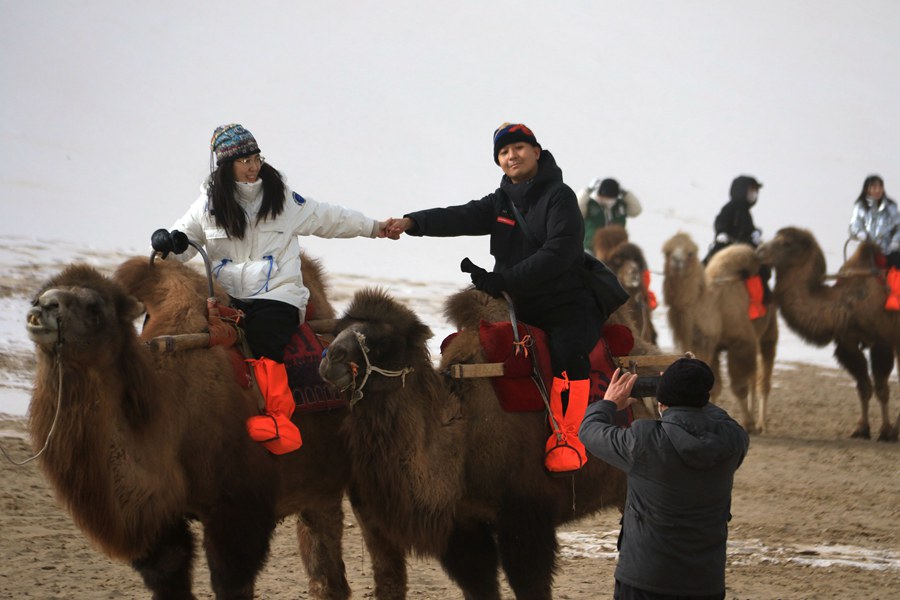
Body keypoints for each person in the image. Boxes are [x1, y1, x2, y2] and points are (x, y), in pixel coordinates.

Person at [385, 122, 626, 474]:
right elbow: (460, 215)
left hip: (563, 301)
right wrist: (412, 223)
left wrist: (504, 279)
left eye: (519, 148)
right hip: (515, 299)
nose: (512, 155)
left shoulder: (559, 197)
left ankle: (569, 435)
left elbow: (559, 252)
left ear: (536, 152)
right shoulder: (501, 201)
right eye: (503, 151)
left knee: (569, 350)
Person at [151, 123, 390, 454]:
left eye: (256, 158)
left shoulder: (283, 200)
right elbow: (184, 240)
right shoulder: (207, 205)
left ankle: (278, 418)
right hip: (227, 293)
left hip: (277, 293)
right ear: (226, 165)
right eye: (244, 161)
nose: (253, 167)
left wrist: (375, 227)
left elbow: (330, 218)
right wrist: (168, 243)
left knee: (265, 335)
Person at [579, 358, 749, 600]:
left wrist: (609, 403)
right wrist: (687, 390)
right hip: (705, 582)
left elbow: (589, 430)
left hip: (645, 579)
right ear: (705, 397)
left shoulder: (643, 440)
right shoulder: (734, 439)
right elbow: (721, 419)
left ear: (661, 402)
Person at [704, 174, 770, 316]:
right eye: (751, 190)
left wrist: (755, 234)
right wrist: (722, 232)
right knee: (707, 268)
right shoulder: (730, 208)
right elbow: (720, 221)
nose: (753, 194)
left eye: (755, 191)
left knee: (761, 270)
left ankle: (758, 304)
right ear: (742, 190)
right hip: (727, 246)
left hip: (744, 249)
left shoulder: (746, 212)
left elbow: (748, 229)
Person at [848, 175, 900, 310]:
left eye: (880, 187)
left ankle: (894, 298)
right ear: (867, 189)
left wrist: (895, 242)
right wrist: (860, 234)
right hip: (868, 249)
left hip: (888, 249)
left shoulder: (891, 207)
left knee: (897, 267)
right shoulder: (860, 207)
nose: (877, 190)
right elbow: (854, 225)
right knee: (850, 269)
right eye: (874, 187)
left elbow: (898, 227)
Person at [576, 177, 643, 251]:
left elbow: (636, 210)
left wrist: (625, 193)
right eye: (605, 197)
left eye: (611, 198)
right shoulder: (591, 205)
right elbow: (576, 209)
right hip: (592, 247)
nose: (608, 200)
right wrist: (587, 191)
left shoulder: (619, 206)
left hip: (616, 248)